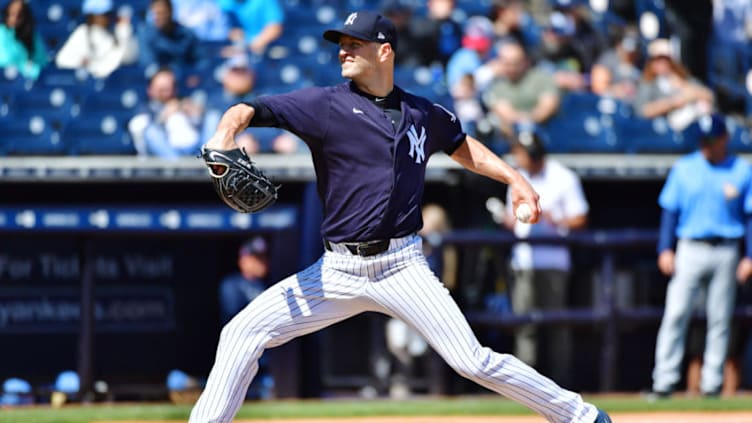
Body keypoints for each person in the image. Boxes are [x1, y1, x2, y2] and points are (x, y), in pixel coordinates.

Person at [189, 11, 611, 423]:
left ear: (385, 51)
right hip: (336, 270)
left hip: (402, 266)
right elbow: (251, 109)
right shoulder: (325, 105)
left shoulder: (422, 112)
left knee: (472, 361)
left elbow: (461, 144)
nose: (343, 51)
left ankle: (581, 415)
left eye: (355, 44)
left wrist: (513, 178)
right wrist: (226, 132)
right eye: (341, 44)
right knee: (241, 333)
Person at [652, 113, 752, 397]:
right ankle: (664, 381)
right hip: (690, 246)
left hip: (727, 248)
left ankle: (712, 384)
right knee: (676, 313)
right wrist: (665, 248)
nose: (706, 145)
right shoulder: (685, 168)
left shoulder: (742, 170)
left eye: (712, 140)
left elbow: (750, 217)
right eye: (702, 140)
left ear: (725, 139)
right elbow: (669, 211)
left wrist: (750, 256)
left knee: (720, 319)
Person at [502, 130, 589, 387]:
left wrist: (554, 219)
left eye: (522, 152)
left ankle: (561, 384)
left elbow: (580, 217)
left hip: (554, 262)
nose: (518, 157)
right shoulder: (516, 179)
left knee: (557, 327)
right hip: (524, 261)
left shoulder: (563, 177)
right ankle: (525, 387)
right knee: (524, 325)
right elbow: (511, 218)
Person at [482, 41, 560, 140]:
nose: (511, 68)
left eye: (515, 63)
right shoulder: (496, 84)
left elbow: (548, 105)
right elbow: (504, 112)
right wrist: (524, 120)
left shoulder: (541, 78)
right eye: (507, 64)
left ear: (525, 61)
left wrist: (529, 120)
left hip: (544, 132)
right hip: (511, 136)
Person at [634, 38, 714, 132]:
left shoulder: (683, 79)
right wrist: (673, 102)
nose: (662, 63)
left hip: (693, 125)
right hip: (661, 130)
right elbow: (642, 111)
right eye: (657, 59)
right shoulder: (648, 83)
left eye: (666, 59)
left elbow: (709, 95)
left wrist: (686, 89)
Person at [127, 67, 202, 158]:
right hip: (167, 154)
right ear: (150, 90)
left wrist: (195, 114)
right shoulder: (146, 109)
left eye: (168, 88)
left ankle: (208, 163)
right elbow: (140, 131)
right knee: (151, 132)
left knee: (212, 117)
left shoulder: (184, 103)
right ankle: (179, 167)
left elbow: (200, 128)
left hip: (194, 150)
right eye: (161, 89)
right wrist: (163, 117)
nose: (165, 92)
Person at [55, 0, 138, 78]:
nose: (107, 18)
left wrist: (124, 32)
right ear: (92, 16)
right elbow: (61, 60)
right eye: (103, 14)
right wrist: (79, 62)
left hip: (112, 83)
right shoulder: (82, 32)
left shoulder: (116, 33)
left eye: (108, 14)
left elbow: (129, 58)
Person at [138, 0, 205, 72]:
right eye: (155, 14)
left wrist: (195, 74)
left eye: (162, 13)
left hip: (184, 77)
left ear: (171, 12)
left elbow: (202, 60)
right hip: (159, 78)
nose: (158, 17)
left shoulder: (187, 34)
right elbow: (148, 63)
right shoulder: (146, 33)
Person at [0, 0, 47, 80]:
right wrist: (27, 67)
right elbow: (5, 60)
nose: (15, 18)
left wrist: (32, 68)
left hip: (28, 84)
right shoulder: (1, 33)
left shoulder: (31, 34)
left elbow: (41, 61)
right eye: (12, 13)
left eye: (20, 14)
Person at [219, 0, 283, 56]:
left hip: (267, 50)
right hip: (235, 52)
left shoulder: (264, 1)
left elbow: (274, 27)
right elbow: (233, 31)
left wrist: (250, 46)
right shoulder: (223, 3)